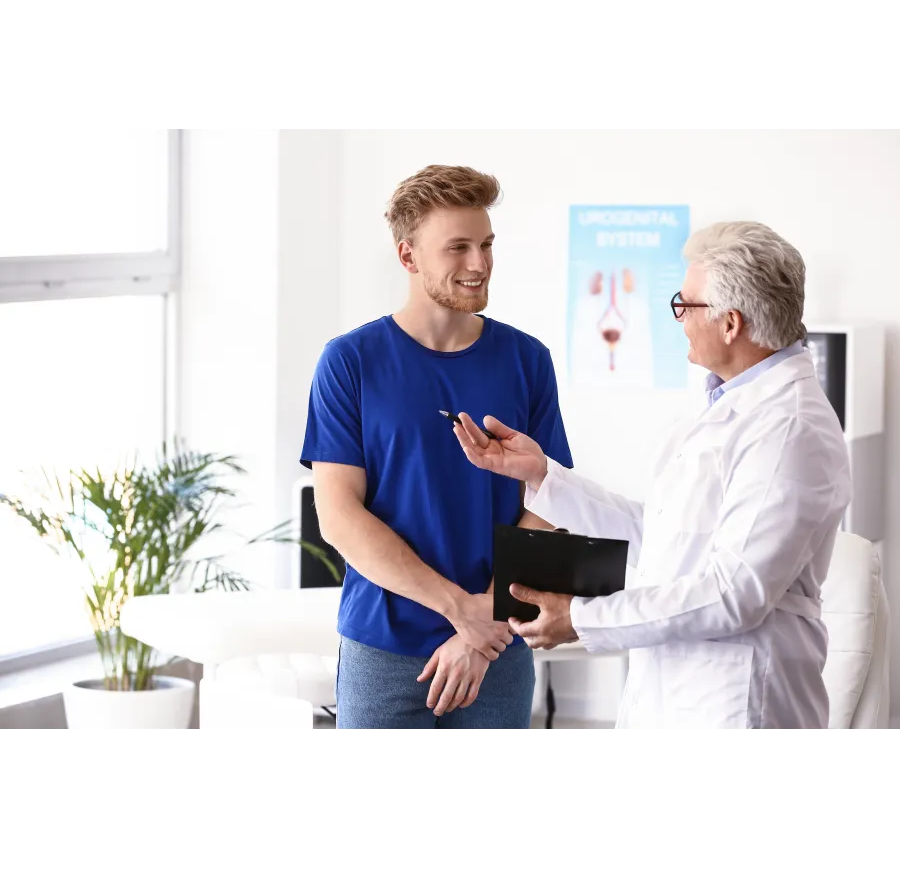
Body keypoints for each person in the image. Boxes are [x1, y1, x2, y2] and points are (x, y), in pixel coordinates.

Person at [452, 221, 850, 731]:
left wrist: (582, 618)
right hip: (677, 695)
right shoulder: (728, 404)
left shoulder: (790, 426)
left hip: (737, 706)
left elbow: (734, 594)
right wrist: (543, 476)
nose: (679, 318)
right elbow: (664, 539)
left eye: (685, 305)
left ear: (730, 323)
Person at [301, 165, 573, 730]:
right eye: (458, 248)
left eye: (486, 245)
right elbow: (338, 516)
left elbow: (550, 501)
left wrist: (485, 627)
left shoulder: (528, 361)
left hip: (497, 649)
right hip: (386, 649)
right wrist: (462, 613)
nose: (479, 264)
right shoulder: (350, 362)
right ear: (408, 256)